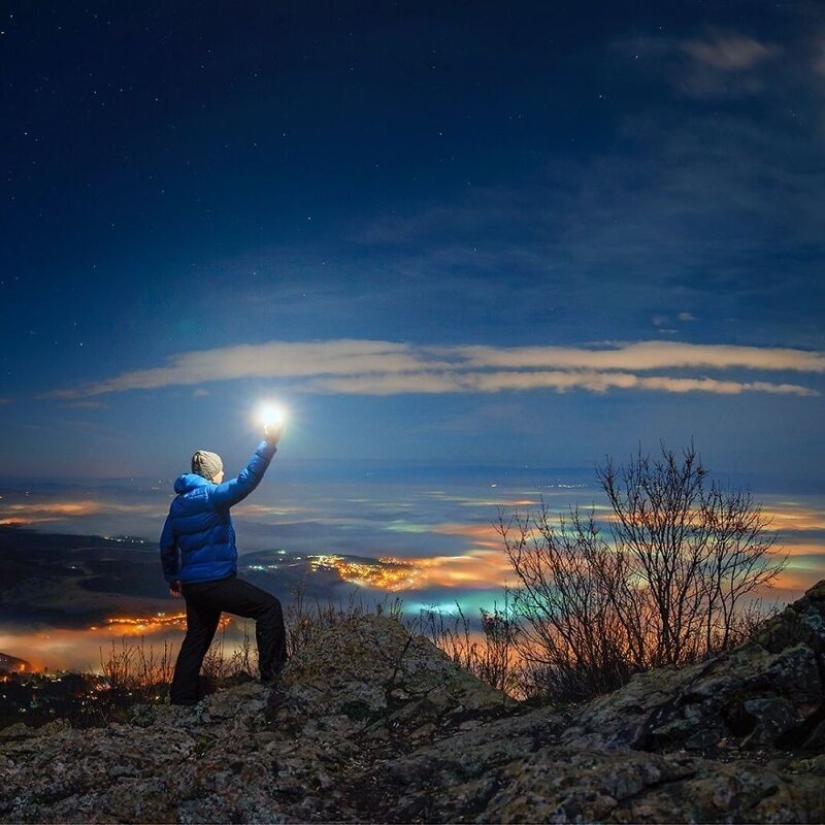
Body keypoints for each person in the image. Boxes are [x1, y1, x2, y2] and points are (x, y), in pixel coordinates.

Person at [160, 420, 286, 706]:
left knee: (197, 637)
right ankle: (273, 679)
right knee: (269, 608)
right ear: (212, 473)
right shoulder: (213, 497)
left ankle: (181, 700)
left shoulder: (178, 504)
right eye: (220, 471)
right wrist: (268, 444)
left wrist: (173, 578)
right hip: (215, 581)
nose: (223, 474)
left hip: (193, 585)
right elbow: (247, 480)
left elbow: (166, 545)